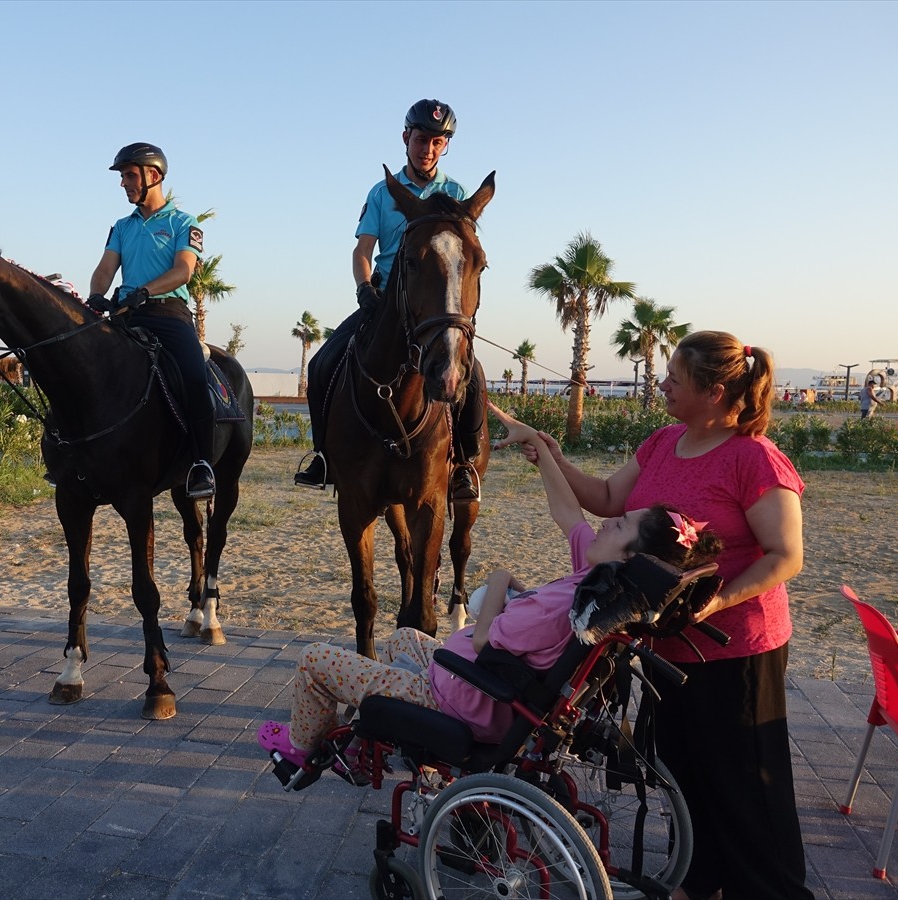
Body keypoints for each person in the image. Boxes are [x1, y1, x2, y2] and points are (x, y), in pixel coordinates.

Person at [258, 403, 722, 774]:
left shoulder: (562, 603)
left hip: (458, 697)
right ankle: (372, 743)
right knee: (403, 636)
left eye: (617, 525)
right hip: (471, 681)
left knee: (315, 658)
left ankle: (300, 752)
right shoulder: (600, 587)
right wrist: (539, 444)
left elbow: (484, 640)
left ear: (629, 557)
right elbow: (569, 515)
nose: (604, 524)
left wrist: (499, 581)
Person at [520, 331, 812, 900]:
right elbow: (606, 498)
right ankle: (702, 880)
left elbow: (787, 555)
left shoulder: (753, 457)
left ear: (715, 391)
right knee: (685, 770)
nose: (663, 385)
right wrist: (555, 458)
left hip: (736, 649)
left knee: (747, 784)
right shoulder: (662, 442)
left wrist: (719, 599)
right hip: (663, 642)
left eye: (674, 379)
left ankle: (772, 889)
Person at [295, 99, 486, 501]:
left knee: (474, 376)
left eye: (438, 142)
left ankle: (464, 464)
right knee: (323, 362)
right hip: (384, 301)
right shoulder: (382, 193)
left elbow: (463, 257)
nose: (428, 149)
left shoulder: (456, 193)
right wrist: (365, 288)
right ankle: (323, 457)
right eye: (422, 139)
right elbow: (363, 250)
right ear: (406, 139)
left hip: (433, 308)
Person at [85, 142, 214, 499]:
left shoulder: (184, 223)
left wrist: (144, 290)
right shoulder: (122, 227)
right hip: (126, 313)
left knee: (193, 376)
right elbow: (105, 269)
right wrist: (97, 294)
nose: (123, 183)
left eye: (129, 175)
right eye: (124, 176)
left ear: (152, 176)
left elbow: (183, 271)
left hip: (167, 313)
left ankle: (202, 464)